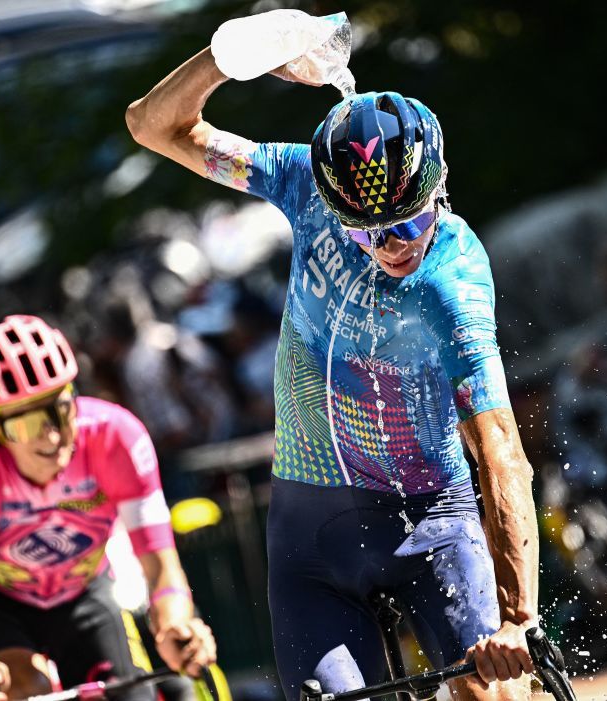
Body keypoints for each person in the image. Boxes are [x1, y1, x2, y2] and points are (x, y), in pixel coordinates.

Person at [126, 38, 538, 701]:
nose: (391, 247)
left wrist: (520, 620)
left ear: (442, 184)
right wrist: (234, 52)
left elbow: (500, 451)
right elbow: (154, 125)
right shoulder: (304, 183)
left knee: (491, 692)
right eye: (366, 233)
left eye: (409, 223)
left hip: (432, 522)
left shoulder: (451, 286)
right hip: (313, 536)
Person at [0, 314, 216, 701]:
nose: (52, 435)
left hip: (84, 591)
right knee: (26, 690)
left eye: (60, 409)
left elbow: (160, 565)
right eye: (28, 424)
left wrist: (175, 625)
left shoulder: (117, 438)